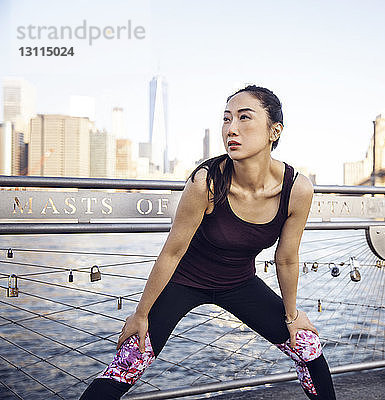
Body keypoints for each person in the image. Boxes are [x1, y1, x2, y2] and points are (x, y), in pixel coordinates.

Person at [79, 85, 337, 399]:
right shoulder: (207, 181)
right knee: (127, 364)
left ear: (275, 130)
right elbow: (173, 251)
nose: (231, 129)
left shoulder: (297, 189)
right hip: (184, 281)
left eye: (244, 118)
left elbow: (287, 258)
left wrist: (292, 315)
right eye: (226, 119)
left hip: (240, 282)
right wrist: (141, 314)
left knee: (308, 347)